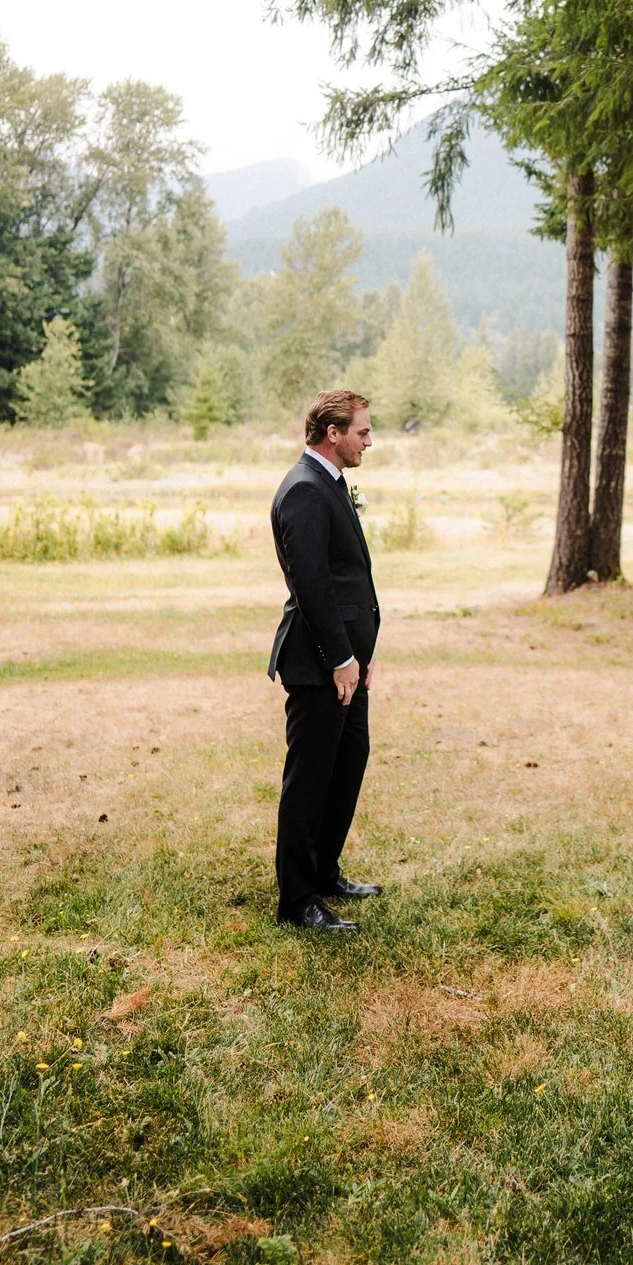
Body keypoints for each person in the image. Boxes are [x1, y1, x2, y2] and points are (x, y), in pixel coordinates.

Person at [268, 389, 383, 931]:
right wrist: (340, 657)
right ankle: (297, 900)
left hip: (348, 664)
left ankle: (324, 870)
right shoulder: (304, 492)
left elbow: (347, 577)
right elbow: (312, 585)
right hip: (320, 666)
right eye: (361, 431)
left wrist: (362, 654)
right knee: (310, 780)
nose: (368, 440)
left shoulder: (332, 484)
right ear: (332, 434)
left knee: (348, 763)